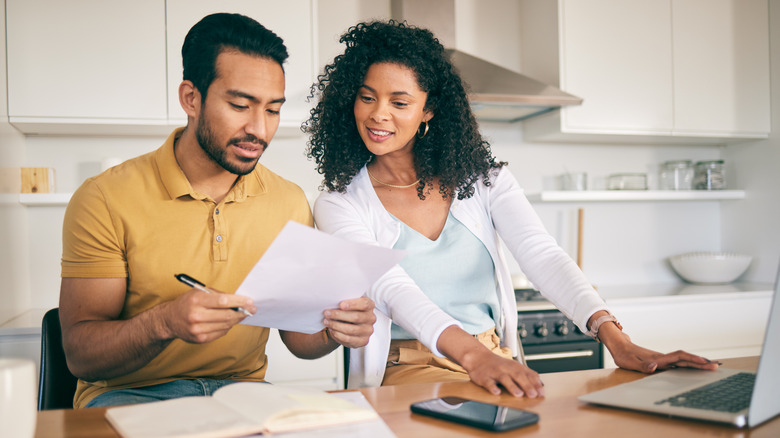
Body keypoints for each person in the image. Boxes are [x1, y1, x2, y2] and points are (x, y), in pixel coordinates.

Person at [303, 20, 719, 398]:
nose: (378, 114)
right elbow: (392, 290)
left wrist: (617, 340)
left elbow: (543, 256)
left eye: (399, 102)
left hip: (493, 355)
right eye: (367, 98)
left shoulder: (485, 180)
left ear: (428, 110)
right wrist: (473, 358)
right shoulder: (340, 203)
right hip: (409, 367)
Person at [59, 13, 375, 409]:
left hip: (244, 395)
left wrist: (335, 330)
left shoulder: (288, 201)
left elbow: (298, 340)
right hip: (130, 396)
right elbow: (81, 356)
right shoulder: (105, 198)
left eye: (272, 110)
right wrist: (163, 323)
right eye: (240, 105)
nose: (259, 129)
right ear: (191, 99)